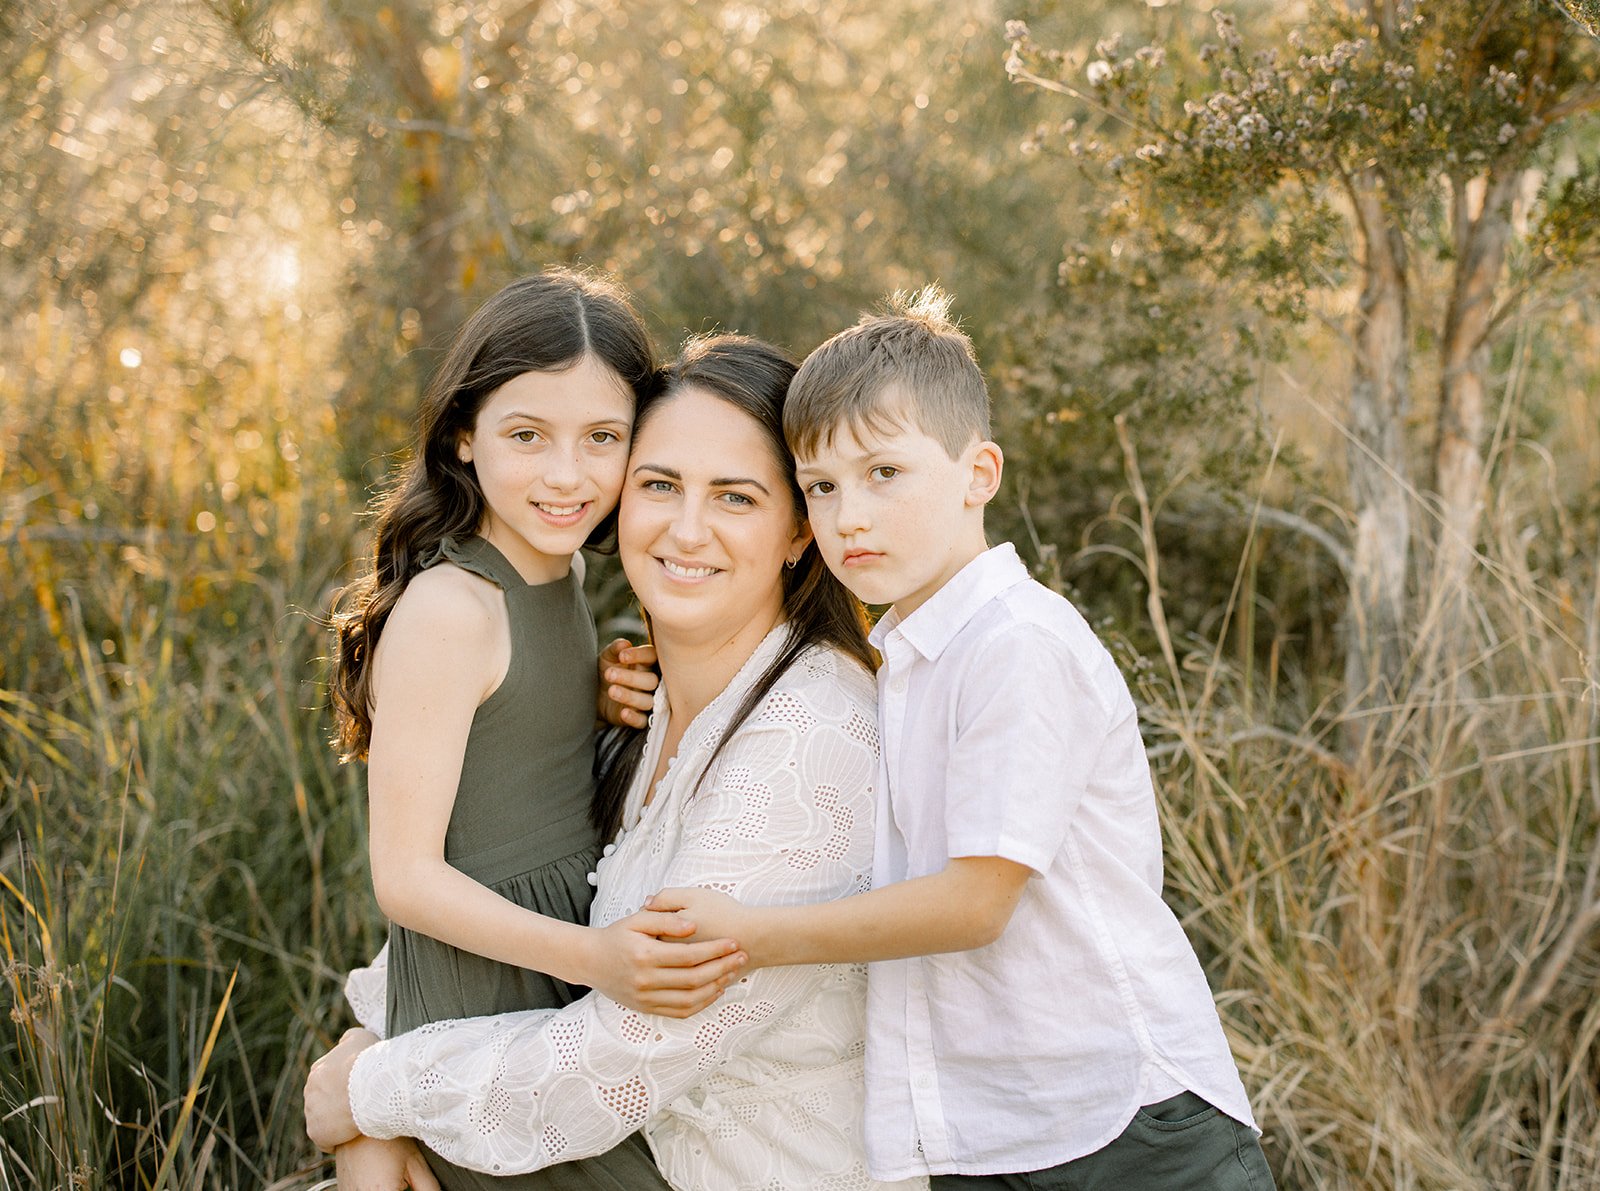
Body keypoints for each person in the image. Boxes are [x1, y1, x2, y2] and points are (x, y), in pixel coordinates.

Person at [650, 289, 1275, 1190]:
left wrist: (751, 935)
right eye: (821, 487)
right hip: (991, 1136)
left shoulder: (1015, 643)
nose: (848, 516)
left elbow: (975, 904)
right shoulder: (904, 654)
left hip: (1126, 1127)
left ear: (979, 473)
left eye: (884, 474)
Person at [306, 335, 927, 1191]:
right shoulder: (652, 699)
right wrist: (372, 1042)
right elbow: (514, 880)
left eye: (736, 497)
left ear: (797, 532)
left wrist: (367, 1092)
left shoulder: (813, 741)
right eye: (660, 484)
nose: (686, 528)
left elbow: (610, 1064)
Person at [325, 270, 746, 1190]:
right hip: (495, 984)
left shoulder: (557, 575)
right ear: (464, 435)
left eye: (603, 439)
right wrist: (596, 956)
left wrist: (590, 704)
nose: (568, 475)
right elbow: (405, 878)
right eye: (527, 436)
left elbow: (508, 737)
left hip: (559, 962)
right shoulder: (449, 609)